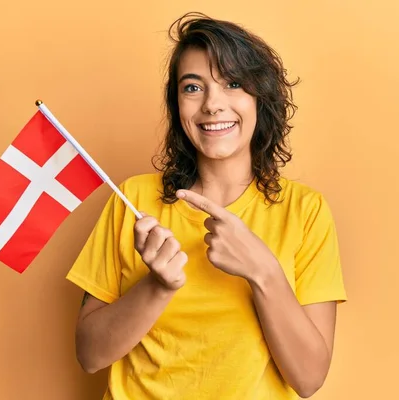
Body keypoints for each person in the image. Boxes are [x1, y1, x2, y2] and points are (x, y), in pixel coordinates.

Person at [66, 12, 347, 400]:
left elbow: (308, 379)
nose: (213, 105)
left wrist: (262, 270)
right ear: (177, 105)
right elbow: (90, 355)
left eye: (233, 83)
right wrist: (157, 286)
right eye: (193, 87)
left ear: (260, 98)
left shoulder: (306, 211)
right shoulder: (132, 200)